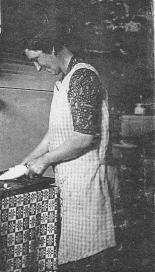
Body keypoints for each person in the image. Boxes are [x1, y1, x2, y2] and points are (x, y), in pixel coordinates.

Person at [22, 30, 116, 271]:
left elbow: (83, 138)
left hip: (87, 185)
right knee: (71, 255)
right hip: (71, 184)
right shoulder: (65, 81)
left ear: (52, 48)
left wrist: (43, 162)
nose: (37, 68)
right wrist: (28, 161)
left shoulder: (83, 76)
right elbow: (55, 132)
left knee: (86, 259)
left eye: (37, 59)